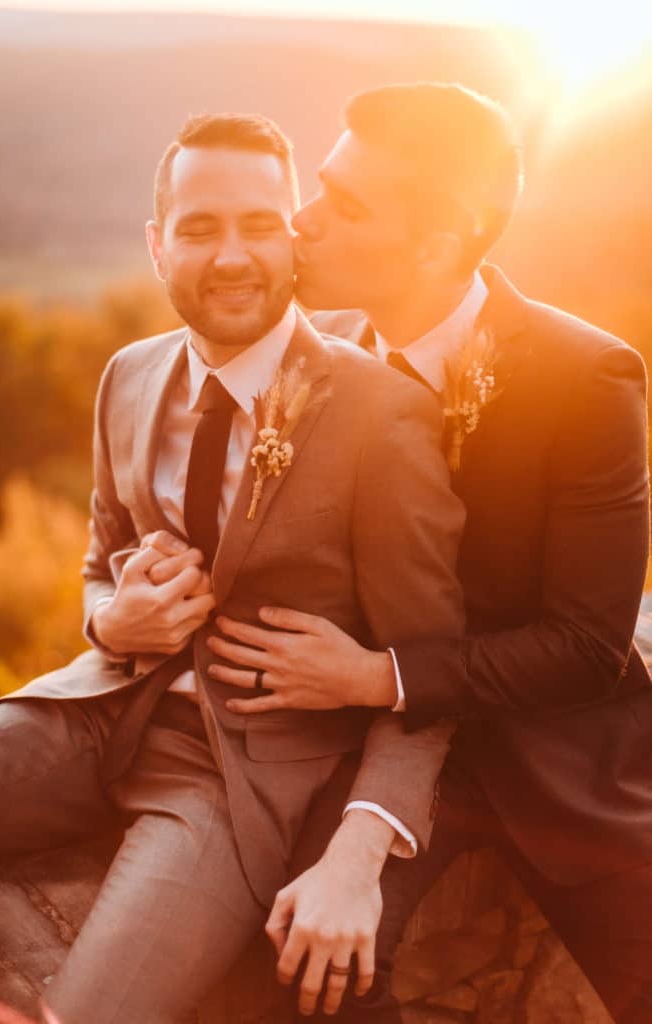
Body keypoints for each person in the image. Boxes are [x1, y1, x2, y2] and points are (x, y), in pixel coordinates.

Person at [0, 111, 467, 1024]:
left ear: (294, 238)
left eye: (257, 225)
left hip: (234, 783)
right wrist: (110, 620)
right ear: (159, 247)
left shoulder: (379, 414)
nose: (230, 256)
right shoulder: (127, 374)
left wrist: (359, 849)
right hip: (91, 716)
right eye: (199, 228)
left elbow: (426, 674)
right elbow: (98, 557)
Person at [209, 83, 652, 1023]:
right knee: (300, 971)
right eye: (319, 187)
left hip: (555, 756)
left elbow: (586, 646)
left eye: (345, 206)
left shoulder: (586, 379)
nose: (303, 221)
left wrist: (377, 677)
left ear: (438, 246)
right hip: (363, 752)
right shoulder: (310, 357)